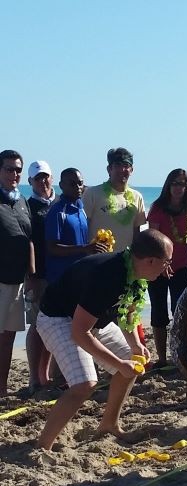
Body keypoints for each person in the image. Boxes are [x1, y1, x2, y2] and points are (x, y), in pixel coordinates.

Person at [35, 229, 173, 451]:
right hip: (58, 318)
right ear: (149, 260)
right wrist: (119, 365)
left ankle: (108, 425)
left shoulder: (135, 271)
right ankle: (43, 447)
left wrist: (135, 344)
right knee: (85, 384)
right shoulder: (108, 276)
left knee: (133, 359)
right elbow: (80, 333)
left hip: (92, 320)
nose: (168, 267)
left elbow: (126, 312)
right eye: (167, 262)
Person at [147, 169, 187, 368]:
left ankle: (179, 357)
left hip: (182, 266)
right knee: (159, 311)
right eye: (174, 183)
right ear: (168, 186)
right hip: (156, 267)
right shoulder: (158, 207)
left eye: (182, 184)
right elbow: (152, 239)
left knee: (180, 312)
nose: (178, 188)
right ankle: (161, 359)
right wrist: (160, 265)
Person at [0, 149, 33, 397]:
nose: (14, 174)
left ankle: (1, 389)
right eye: (9, 168)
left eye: (18, 169)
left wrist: (31, 274)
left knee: (8, 339)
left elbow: (28, 240)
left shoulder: (21, 201)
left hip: (17, 281)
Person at [24, 161, 54, 394]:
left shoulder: (59, 203)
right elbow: (28, 243)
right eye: (38, 178)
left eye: (46, 177)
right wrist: (31, 274)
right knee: (37, 325)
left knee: (53, 325)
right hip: (39, 274)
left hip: (60, 274)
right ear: (30, 182)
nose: (43, 181)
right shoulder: (28, 206)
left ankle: (46, 376)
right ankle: (35, 377)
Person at [82, 148, 146, 252]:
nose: (122, 169)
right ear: (109, 169)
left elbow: (137, 232)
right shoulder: (92, 193)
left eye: (126, 165)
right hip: (98, 259)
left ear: (132, 170)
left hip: (126, 259)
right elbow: (83, 228)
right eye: (118, 165)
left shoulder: (137, 197)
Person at [45, 168, 103, 283]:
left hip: (80, 274)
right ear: (61, 185)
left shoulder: (81, 209)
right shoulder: (57, 212)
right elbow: (52, 248)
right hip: (61, 277)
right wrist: (85, 248)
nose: (78, 187)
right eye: (72, 184)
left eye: (80, 183)